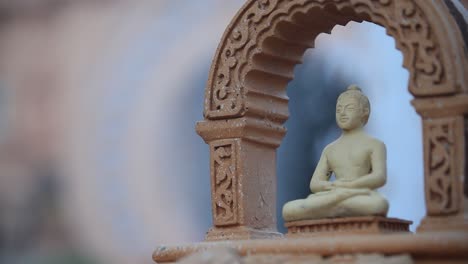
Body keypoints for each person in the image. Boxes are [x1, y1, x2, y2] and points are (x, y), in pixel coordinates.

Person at [282, 85, 389, 222]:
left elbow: (379, 177)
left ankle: (334, 209)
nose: (342, 113)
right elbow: (315, 183)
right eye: (339, 109)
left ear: (364, 112)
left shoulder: (375, 145)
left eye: (349, 109)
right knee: (288, 209)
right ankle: (337, 208)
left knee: (379, 205)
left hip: (357, 194)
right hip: (334, 194)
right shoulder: (330, 148)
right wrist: (332, 186)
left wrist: (350, 185)